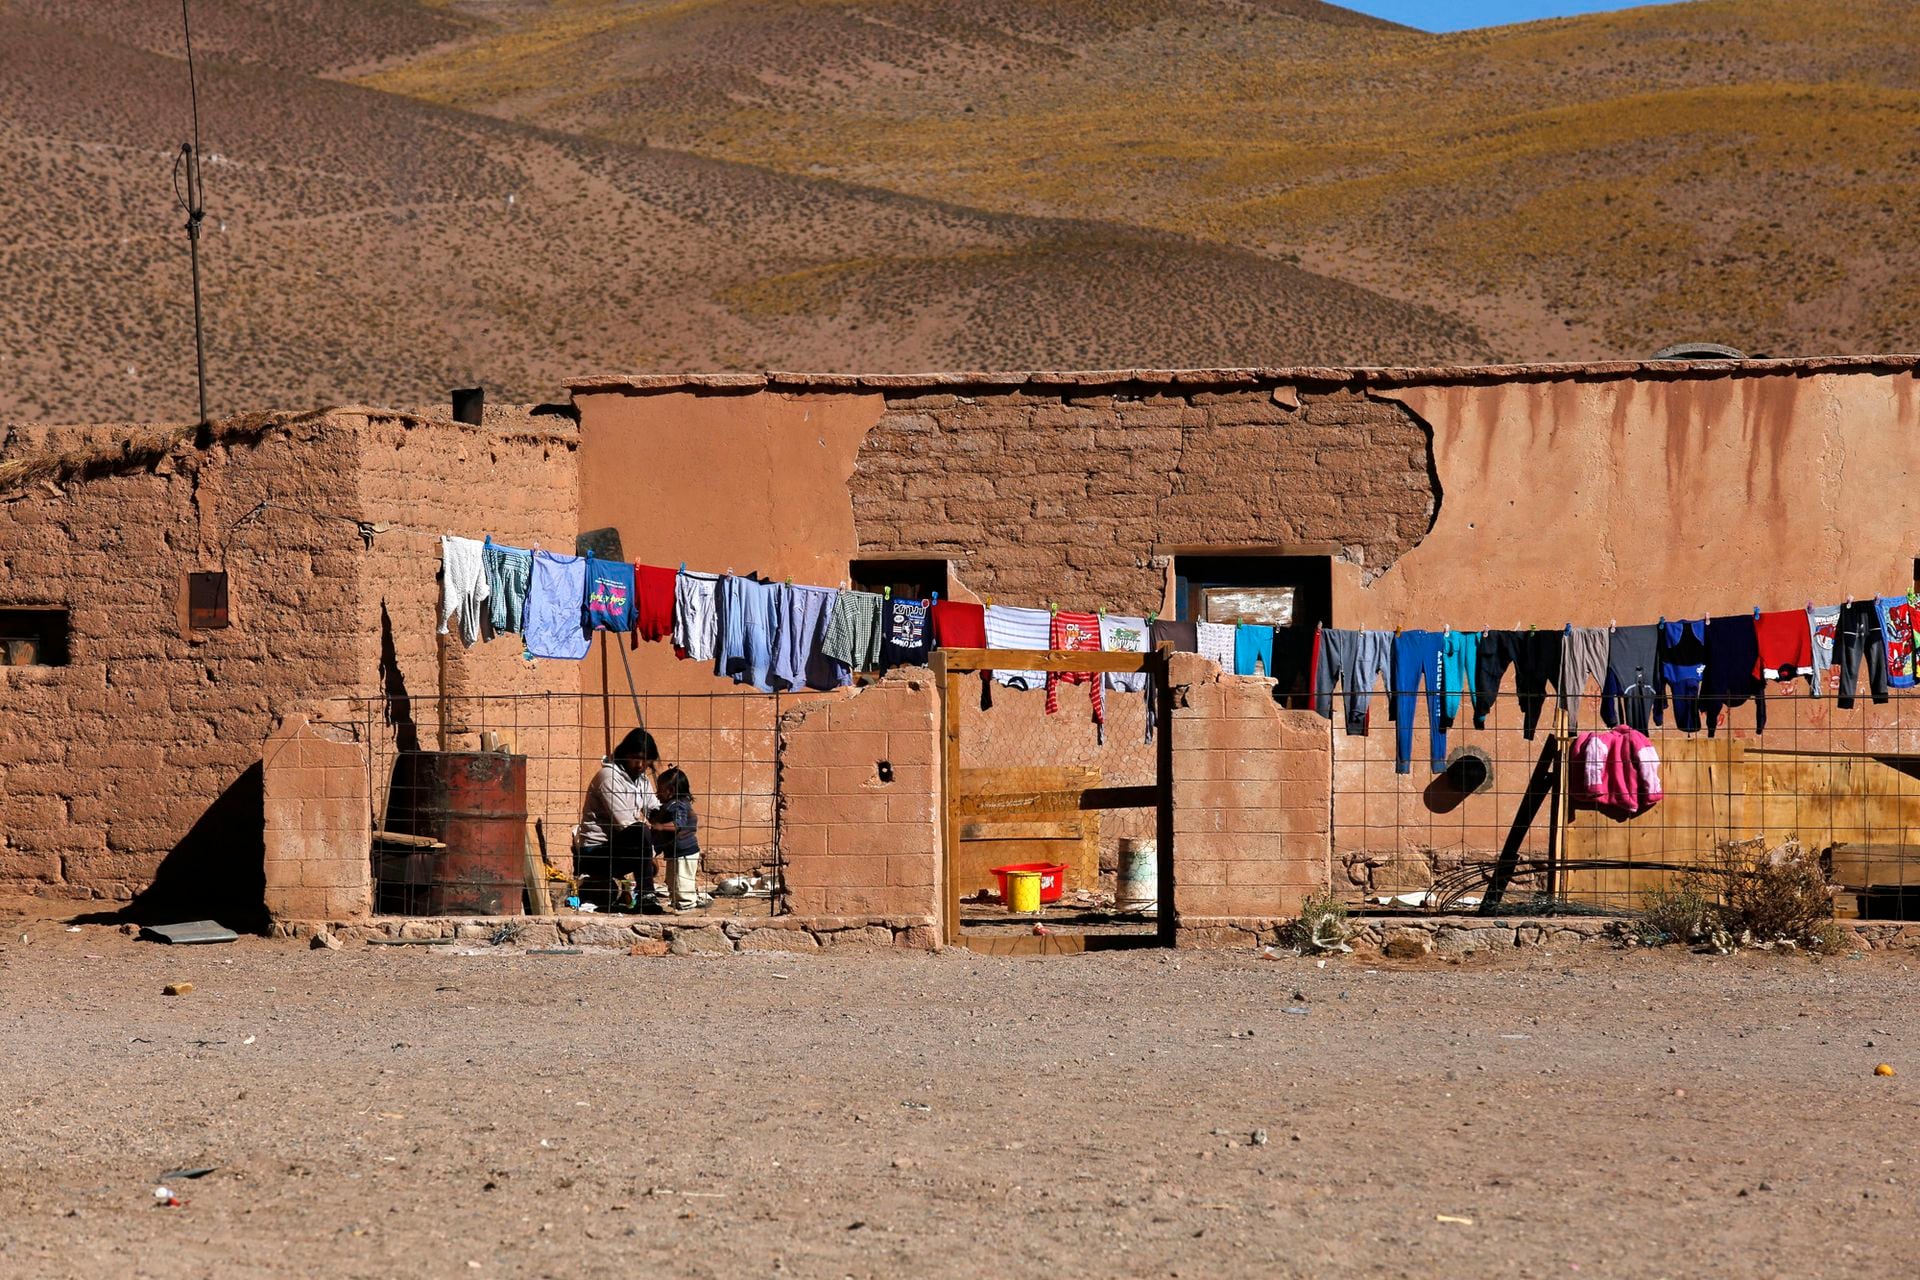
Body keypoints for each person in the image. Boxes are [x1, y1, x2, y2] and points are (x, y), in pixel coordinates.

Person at [576, 728, 662, 912]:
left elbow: (653, 809)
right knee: (640, 830)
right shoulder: (609, 777)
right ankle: (646, 894)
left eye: (645, 760)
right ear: (625, 754)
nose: (640, 765)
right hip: (597, 853)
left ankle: (680, 888)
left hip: (629, 847)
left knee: (673, 827)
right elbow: (624, 824)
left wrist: (673, 817)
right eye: (636, 758)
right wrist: (651, 855)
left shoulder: (641, 780)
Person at [648, 766, 712, 912]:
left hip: (684, 853)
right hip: (675, 853)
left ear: (670, 791)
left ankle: (687, 905)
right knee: (673, 880)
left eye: (660, 790)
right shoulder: (670, 805)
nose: (657, 794)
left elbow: (679, 824)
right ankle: (679, 902)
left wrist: (661, 826)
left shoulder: (678, 806)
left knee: (681, 882)